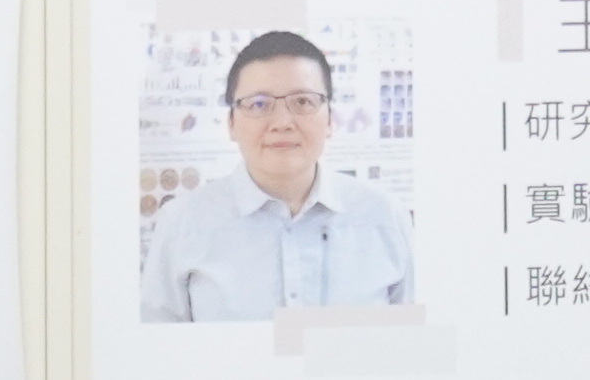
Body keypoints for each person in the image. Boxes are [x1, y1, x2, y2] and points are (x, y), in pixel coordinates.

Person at [138, 27, 416, 320]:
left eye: (303, 102)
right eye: (259, 104)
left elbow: (415, 347)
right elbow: (160, 353)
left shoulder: (386, 217)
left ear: (330, 118)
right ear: (231, 123)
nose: (282, 122)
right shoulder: (182, 223)